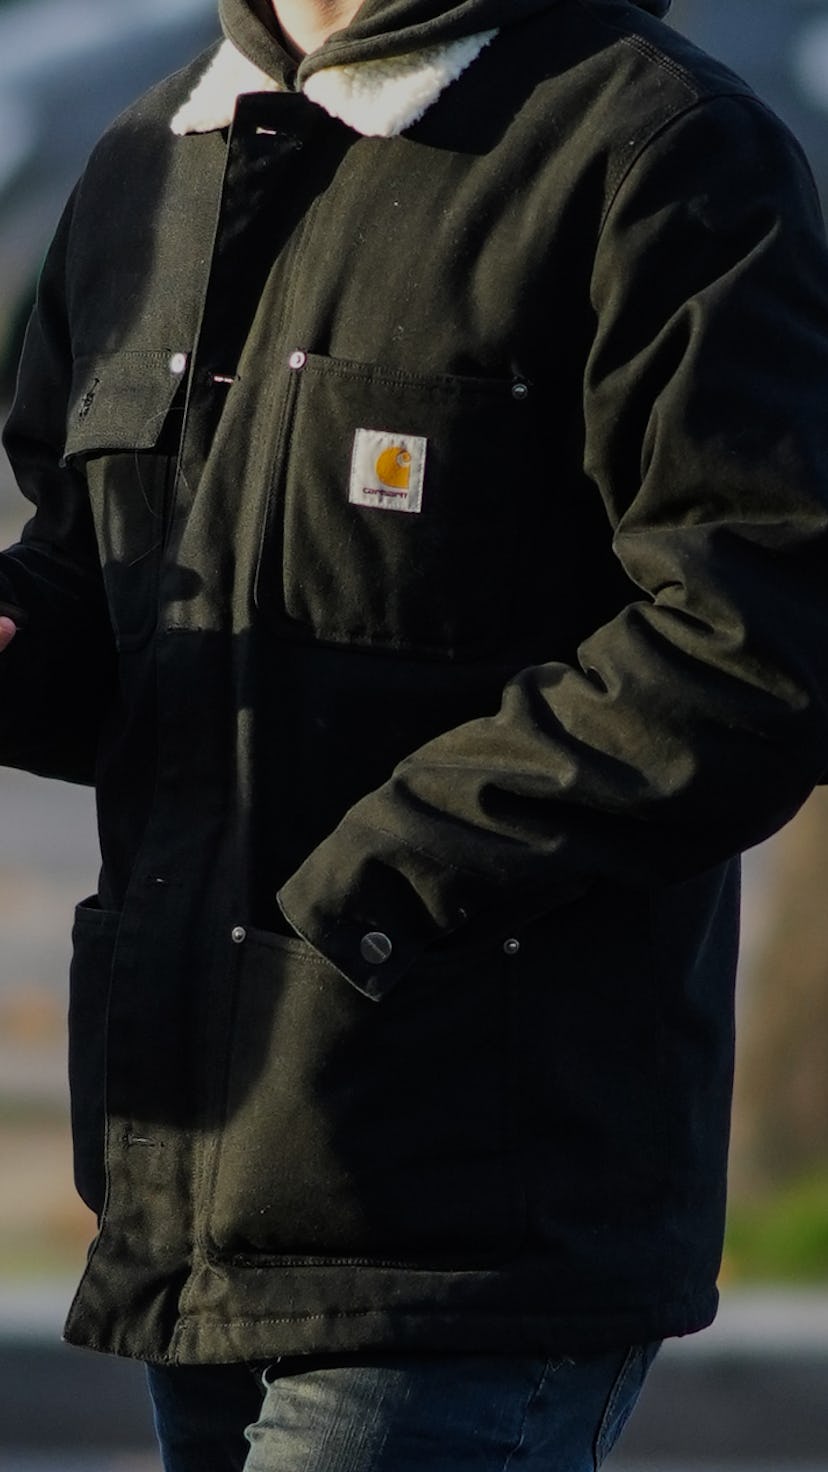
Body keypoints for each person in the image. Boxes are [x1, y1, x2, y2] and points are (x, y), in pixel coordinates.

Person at [3, 0, 828, 1465]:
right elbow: (109, 620)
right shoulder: (147, 157)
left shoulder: (657, 148)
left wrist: (371, 893)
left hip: (477, 1212)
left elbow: (757, 639)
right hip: (188, 1201)